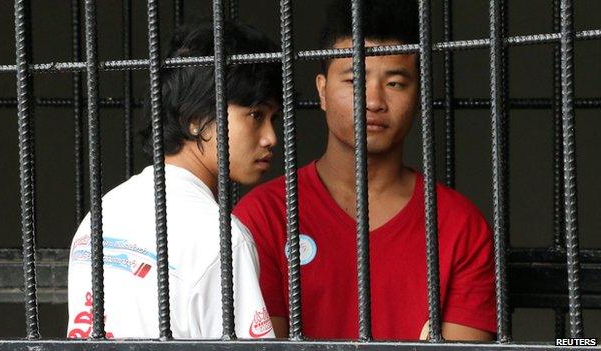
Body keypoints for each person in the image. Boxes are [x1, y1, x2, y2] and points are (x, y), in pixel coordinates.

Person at [233, 0, 496, 341]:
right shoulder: (263, 217)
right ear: (323, 91)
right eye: (355, 79)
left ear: (417, 95)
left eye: (396, 83)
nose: (373, 100)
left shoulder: (460, 226)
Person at [67, 20, 280, 339]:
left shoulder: (100, 216)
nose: (271, 138)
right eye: (256, 116)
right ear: (195, 120)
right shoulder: (223, 238)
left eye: (274, 119)